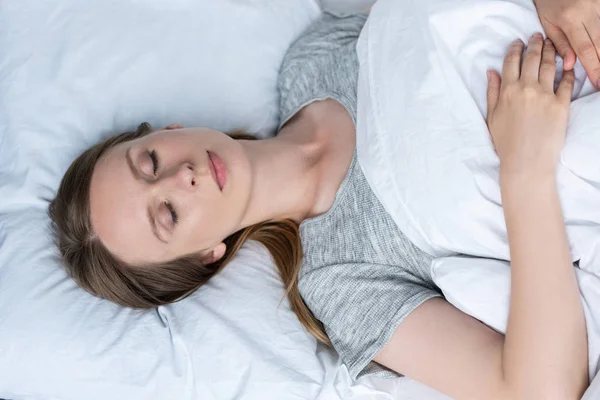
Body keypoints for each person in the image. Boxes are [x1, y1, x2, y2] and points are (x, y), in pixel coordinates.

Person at [49, 2, 593, 398]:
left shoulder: (310, 57)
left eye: (149, 162)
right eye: (167, 214)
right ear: (205, 255)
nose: (180, 176)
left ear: (166, 130)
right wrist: (524, 172)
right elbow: (536, 390)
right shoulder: (340, 282)